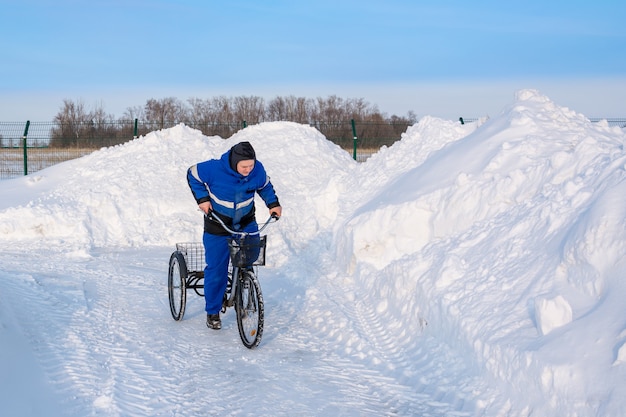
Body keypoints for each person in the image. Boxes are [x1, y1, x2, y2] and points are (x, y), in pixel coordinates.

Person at [186, 141, 282, 330]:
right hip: (218, 224)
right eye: (244, 166)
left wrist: (273, 204)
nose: (248, 170)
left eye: (251, 165)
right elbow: (192, 173)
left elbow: (265, 186)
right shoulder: (214, 168)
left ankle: (244, 287)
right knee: (217, 268)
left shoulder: (257, 169)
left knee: (250, 256)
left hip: (245, 221)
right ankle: (213, 311)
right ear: (235, 163)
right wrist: (203, 200)